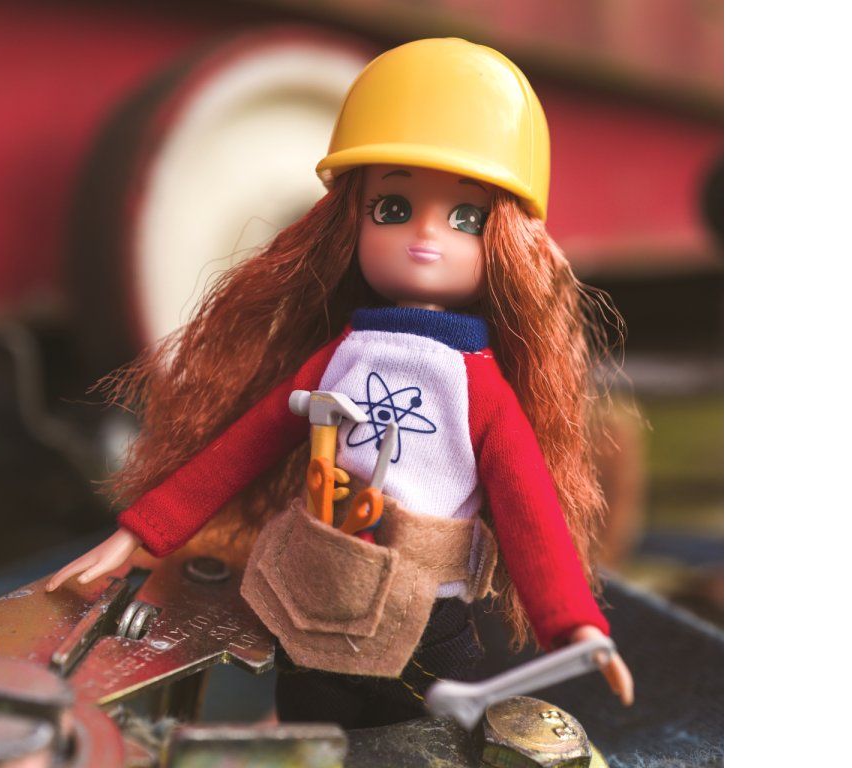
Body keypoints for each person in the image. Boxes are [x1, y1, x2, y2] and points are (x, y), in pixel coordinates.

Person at [47, 38, 633, 728]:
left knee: (438, 736)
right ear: (349, 217)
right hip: (315, 602)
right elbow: (241, 448)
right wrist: (140, 532)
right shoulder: (342, 358)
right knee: (308, 730)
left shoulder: (478, 386)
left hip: (424, 618)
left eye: (466, 218)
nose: (424, 237)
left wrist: (571, 621)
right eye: (392, 208)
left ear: (507, 239)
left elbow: (528, 506)